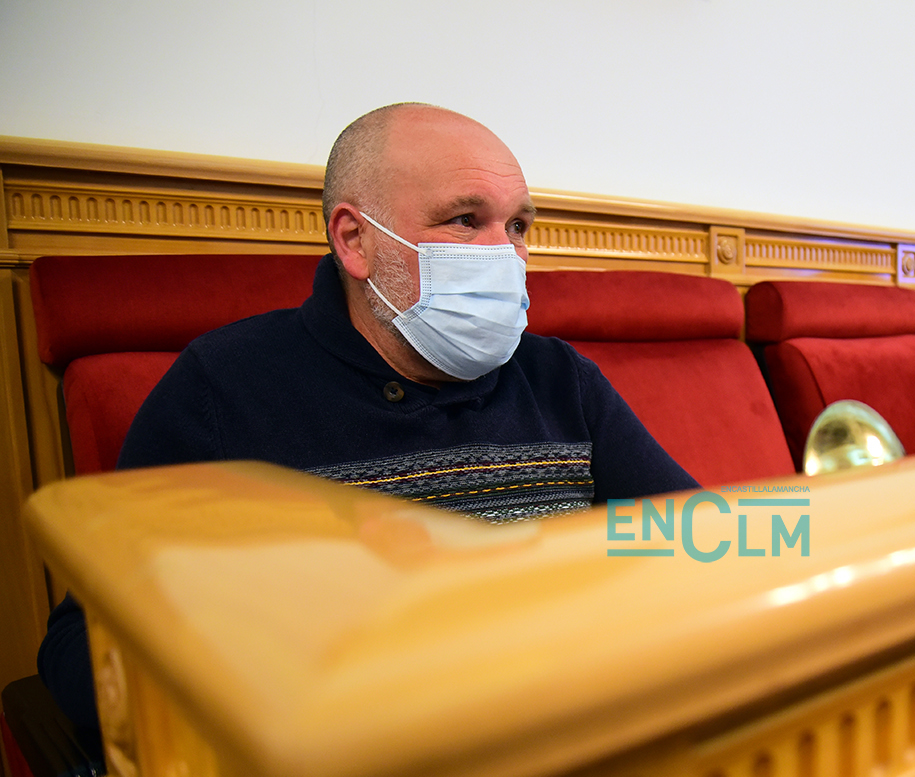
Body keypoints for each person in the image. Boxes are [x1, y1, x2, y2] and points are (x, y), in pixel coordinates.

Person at [39, 103, 698, 729]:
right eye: (464, 220)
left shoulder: (557, 377)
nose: (504, 255)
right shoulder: (225, 388)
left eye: (518, 226)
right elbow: (81, 644)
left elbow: (696, 537)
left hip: (576, 738)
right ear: (354, 241)